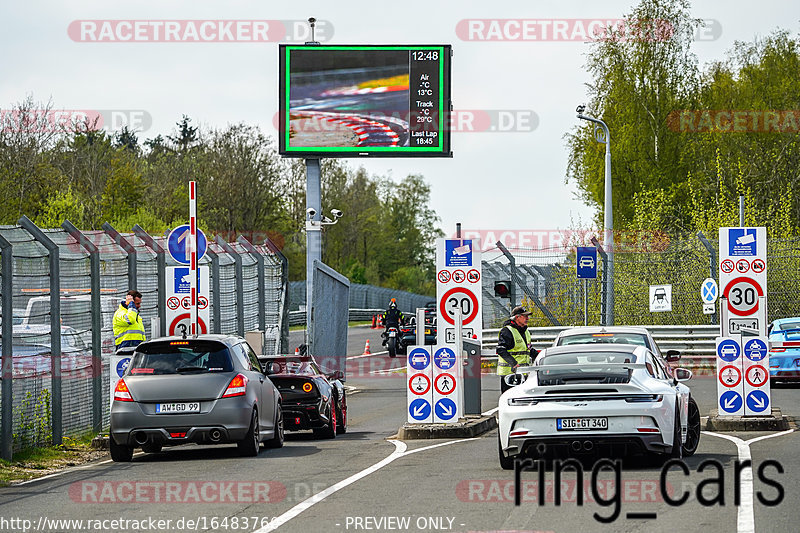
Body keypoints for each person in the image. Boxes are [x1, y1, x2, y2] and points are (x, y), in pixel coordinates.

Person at [496, 306, 539, 393]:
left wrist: (540, 356)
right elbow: (501, 350)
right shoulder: (507, 331)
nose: (527, 318)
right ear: (517, 317)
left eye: (528, 316)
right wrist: (514, 363)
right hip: (509, 374)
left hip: (523, 373)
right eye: (525, 316)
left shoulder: (525, 331)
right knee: (510, 398)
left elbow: (528, 349)